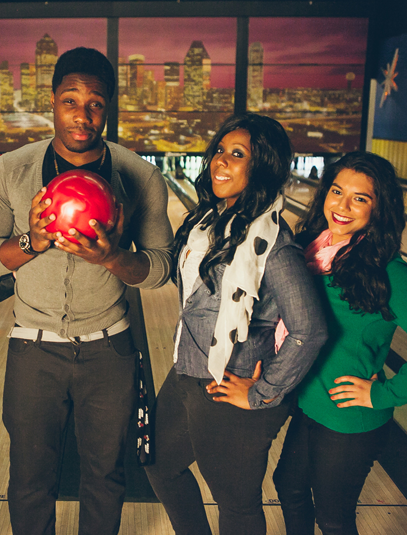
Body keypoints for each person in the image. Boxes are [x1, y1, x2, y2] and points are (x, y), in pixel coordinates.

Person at [0, 47, 173, 535]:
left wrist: (113, 258)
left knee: (105, 476)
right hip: (33, 348)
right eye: (71, 101)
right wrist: (30, 243)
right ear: (53, 101)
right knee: (29, 481)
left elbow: (161, 269)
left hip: (109, 349)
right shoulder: (11, 171)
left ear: (110, 107)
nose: (83, 115)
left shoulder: (141, 177)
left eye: (96, 103)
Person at [144, 113, 328, 535]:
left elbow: (310, 330)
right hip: (188, 373)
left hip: (233, 387)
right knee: (158, 464)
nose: (220, 161)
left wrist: (263, 393)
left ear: (260, 166)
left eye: (237, 154)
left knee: (237, 505)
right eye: (220, 151)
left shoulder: (273, 246)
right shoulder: (206, 225)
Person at [272, 152, 407, 535]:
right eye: (337, 191)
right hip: (309, 403)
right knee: (288, 487)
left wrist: (386, 394)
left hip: (349, 419)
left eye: (360, 198)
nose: (343, 205)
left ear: (379, 207)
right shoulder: (309, 250)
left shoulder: (388, 272)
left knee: (333, 519)